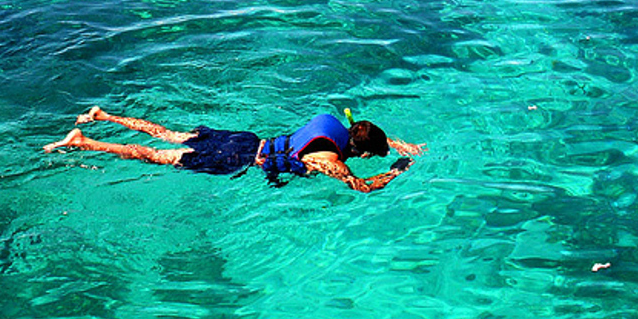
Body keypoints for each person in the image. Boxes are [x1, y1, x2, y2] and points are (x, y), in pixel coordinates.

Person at [43, 107, 426, 192]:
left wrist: (394, 142)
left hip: (246, 139)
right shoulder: (328, 160)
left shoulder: (333, 122)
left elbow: (364, 134)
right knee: (156, 156)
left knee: (169, 134)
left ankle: (102, 115)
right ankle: (85, 142)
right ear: (360, 152)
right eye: (367, 155)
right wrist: (397, 169)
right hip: (238, 158)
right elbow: (362, 187)